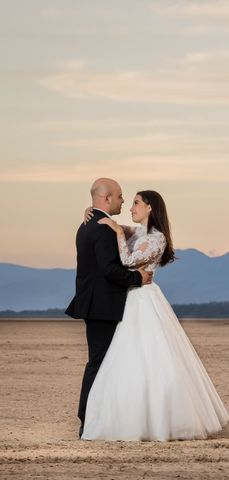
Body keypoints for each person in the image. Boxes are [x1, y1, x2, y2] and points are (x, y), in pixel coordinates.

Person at [79, 189, 229, 441]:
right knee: (125, 358)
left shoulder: (157, 238)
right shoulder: (138, 231)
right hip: (130, 297)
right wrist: (92, 213)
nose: (131, 207)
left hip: (143, 299)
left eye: (136, 203)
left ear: (150, 207)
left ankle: (157, 419)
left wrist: (117, 232)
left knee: (150, 357)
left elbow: (127, 260)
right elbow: (113, 223)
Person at [65, 178, 153, 439]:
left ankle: (100, 418)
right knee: (99, 363)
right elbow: (108, 270)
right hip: (103, 306)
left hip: (97, 304)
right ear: (106, 199)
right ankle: (88, 420)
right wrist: (138, 278)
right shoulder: (102, 229)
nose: (123, 201)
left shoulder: (87, 225)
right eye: (120, 196)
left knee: (103, 362)